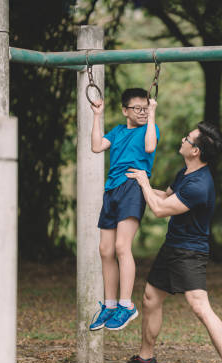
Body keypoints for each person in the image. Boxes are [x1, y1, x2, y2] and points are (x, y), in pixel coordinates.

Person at [114, 121, 222, 363]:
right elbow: (165, 195)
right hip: (172, 246)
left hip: (190, 252)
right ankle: (146, 359)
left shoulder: (200, 184)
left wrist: (142, 182)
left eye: (187, 138)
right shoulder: (185, 173)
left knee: (199, 305)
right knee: (151, 297)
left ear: (195, 150)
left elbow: (161, 209)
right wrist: (137, 186)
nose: (183, 139)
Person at [88, 88, 160, 331]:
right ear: (124, 111)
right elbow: (97, 147)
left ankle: (126, 305)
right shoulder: (118, 131)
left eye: (145, 108)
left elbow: (150, 147)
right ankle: (109, 305)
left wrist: (153, 115)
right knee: (105, 249)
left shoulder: (149, 128)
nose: (141, 112)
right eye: (137, 108)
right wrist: (97, 115)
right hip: (112, 189)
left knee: (121, 246)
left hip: (132, 186)